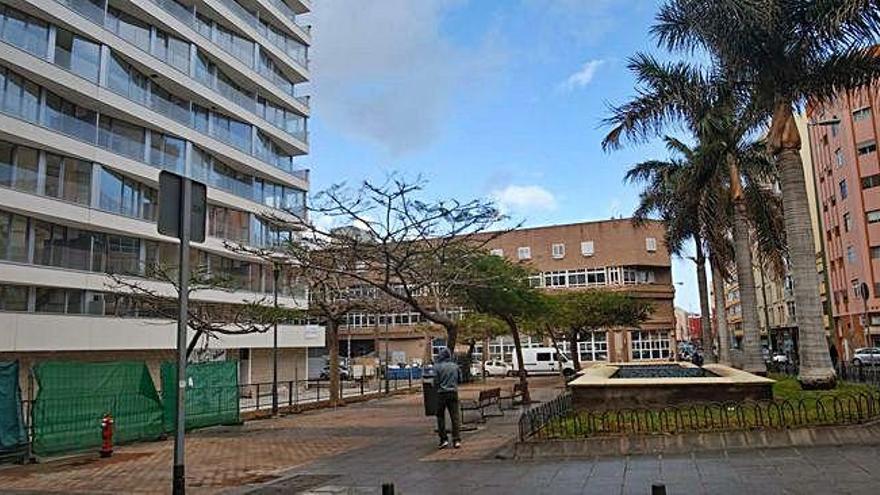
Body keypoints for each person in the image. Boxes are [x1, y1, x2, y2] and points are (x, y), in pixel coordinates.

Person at [433, 347, 461, 449]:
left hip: (441, 393)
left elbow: (435, 381)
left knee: (440, 417)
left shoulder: (437, 367)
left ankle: (443, 439)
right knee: (455, 417)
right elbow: (460, 379)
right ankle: (456, 439)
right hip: (453, 393)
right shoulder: (455, 366)